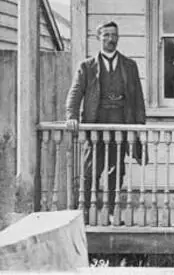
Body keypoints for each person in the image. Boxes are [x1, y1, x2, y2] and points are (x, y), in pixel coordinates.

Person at [65, 21, 146, 223]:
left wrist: (139, 126)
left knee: (116, 170)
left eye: (114, 35)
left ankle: (111, 212)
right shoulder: (87, 66)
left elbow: (138, 98)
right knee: (89, 170)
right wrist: (71, 116)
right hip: (96, 126)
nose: (111, 39)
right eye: (107, 35)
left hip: (120, 125)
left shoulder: (129, 65)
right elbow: (75, 93)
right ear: (98, 38)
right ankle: (82, 214)